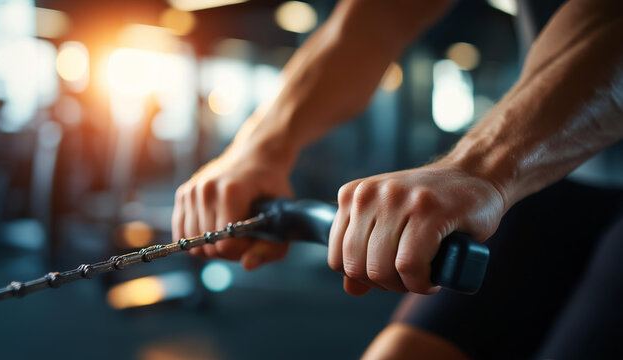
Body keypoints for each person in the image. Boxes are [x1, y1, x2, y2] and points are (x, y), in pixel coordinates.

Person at [171, 0, 623, 357]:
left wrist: (474, 169)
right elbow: (378, 15)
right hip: (559, 174)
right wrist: (260, 148)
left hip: (541, 152)